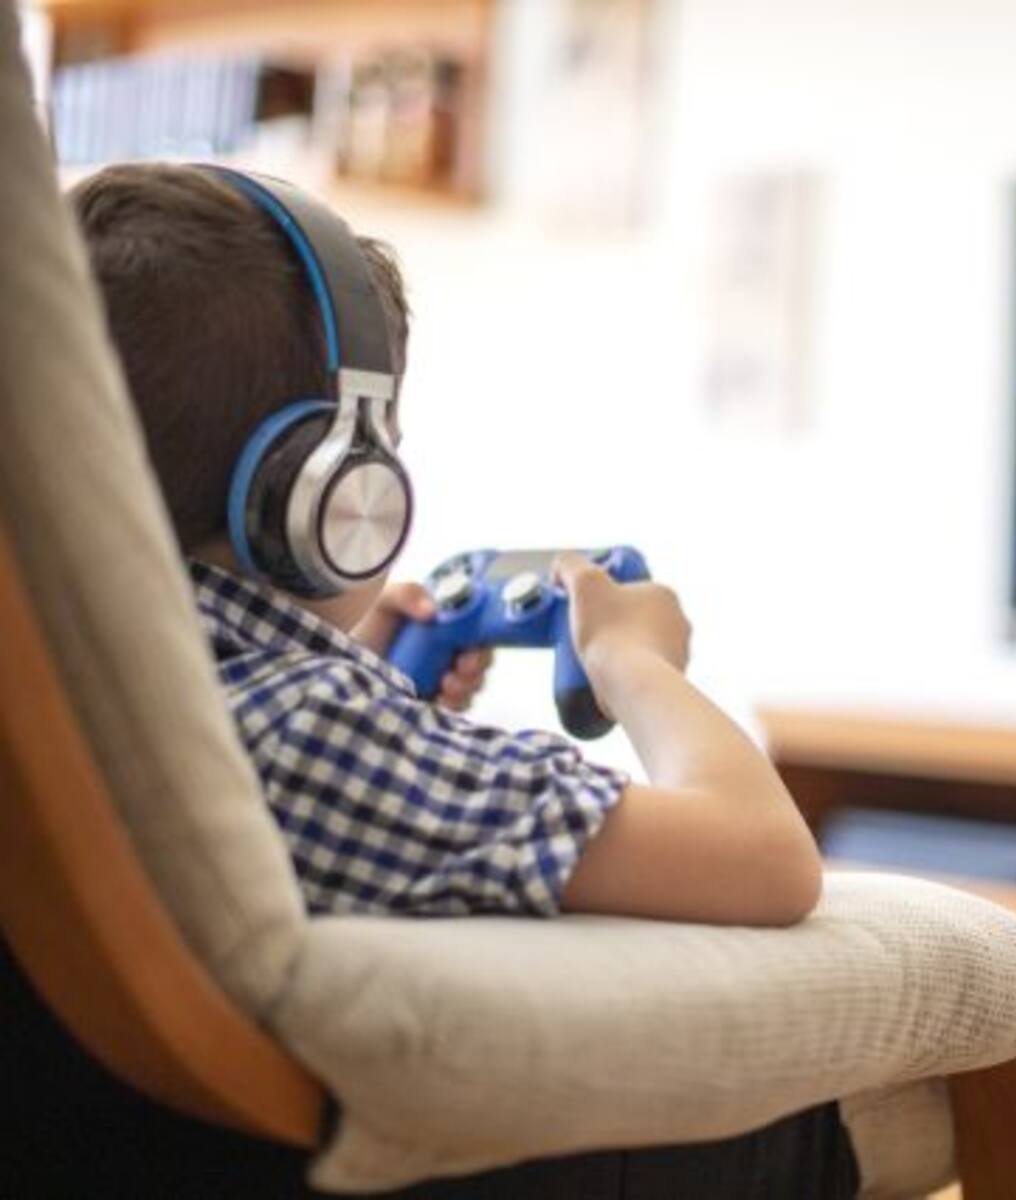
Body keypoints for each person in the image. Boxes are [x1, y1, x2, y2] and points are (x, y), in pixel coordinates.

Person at [70, 162, 822, 928]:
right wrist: (631, 662)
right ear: (330, 490)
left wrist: (348, 666)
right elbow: (762, 860)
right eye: (385, 449)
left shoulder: (82, 688)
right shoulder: (305, 733)